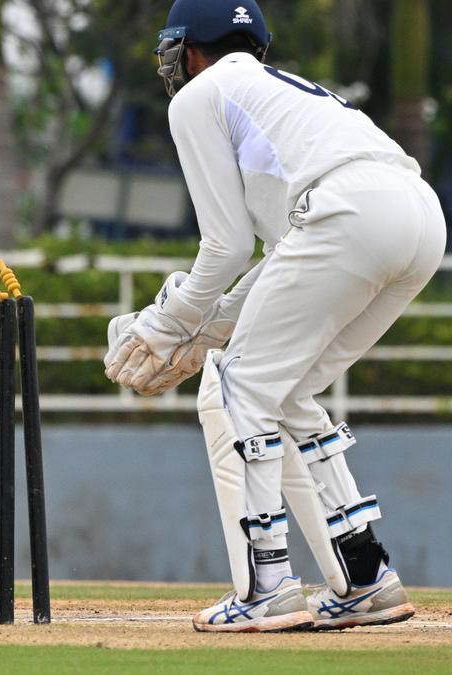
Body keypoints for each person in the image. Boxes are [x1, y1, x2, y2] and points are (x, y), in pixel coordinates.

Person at [104, 0, 443, 632]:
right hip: (418, 218)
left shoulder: (200, 97)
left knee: (235, 386)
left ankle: (267, 587)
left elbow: (225, 247)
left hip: (346, 216)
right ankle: (365, 578)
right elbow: (283, 259)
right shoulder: (286, 100)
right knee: (289, 392)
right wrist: (204, 325)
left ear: (191, 49)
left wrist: (164, 326)